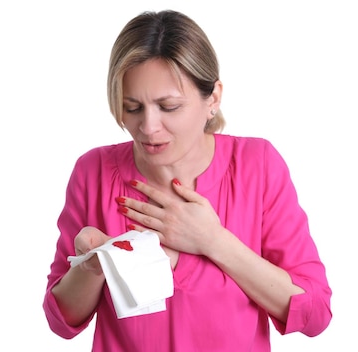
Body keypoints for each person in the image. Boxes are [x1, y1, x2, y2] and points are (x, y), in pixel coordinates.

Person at [43, 9, 332, 351]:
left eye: (169, 107)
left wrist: (212, 240)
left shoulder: (257, 166)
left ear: (212, 98)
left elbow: (314, 314)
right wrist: (91, 269)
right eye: (132, 107)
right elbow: (61, 320)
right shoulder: (94, 171)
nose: (148, 128)